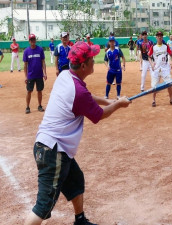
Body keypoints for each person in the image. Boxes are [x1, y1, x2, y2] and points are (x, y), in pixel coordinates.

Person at [24, 41, 131, 225]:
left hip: (54, 147)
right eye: (91, 59)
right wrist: (118, 105)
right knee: (43, 207)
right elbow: (98, 116)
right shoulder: (77, 92)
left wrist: (110, 100)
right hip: (53, 152)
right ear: (83, 66)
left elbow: (89, 97)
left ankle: (80, 220)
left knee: (75, 180)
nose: (94, 61)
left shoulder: (67, 75)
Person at [148, 31, 172, 107]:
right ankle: (153, 100)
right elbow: (149, 56)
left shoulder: (166, 46)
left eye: (161, 36)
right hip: (156, 69)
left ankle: (171, 99)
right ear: (156, 37)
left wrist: (171, 61)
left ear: (162, 37)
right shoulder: (153, 47)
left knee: (169, 83)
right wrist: (151, 64)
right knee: (154, 86)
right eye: (158, 36)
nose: (160, 37)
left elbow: (171, 54)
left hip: (165, 68)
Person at [23, 34, 47, 114]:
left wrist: (44, 73)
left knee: (39, 90)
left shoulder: (40, 50)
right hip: (30, 75)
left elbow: (43, 62)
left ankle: (40, 105)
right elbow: (25, 65)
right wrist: (26, 76)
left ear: (35, 40)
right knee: (29, 91)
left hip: (39, 74)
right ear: (29, 41)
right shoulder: (26, 51)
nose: (33, 41)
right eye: (31, 40)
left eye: (34, 39)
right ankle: (27, 107)